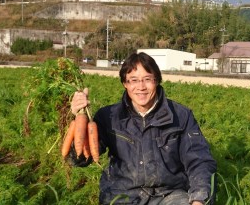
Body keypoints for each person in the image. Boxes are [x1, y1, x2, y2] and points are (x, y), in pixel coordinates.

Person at [69, 52, 217, 205]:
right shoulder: (109, 117)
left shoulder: (181, 116)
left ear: (157, 81)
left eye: (147, 79)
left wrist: (199, 199)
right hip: (122, 194)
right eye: (133, 80)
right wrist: (78, 118)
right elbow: (80, 159)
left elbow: (199, 161)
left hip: (169, 195)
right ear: (125, 84)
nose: (141, 87)